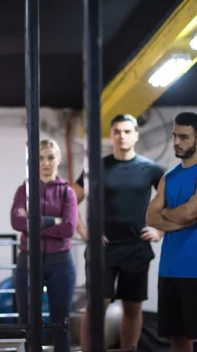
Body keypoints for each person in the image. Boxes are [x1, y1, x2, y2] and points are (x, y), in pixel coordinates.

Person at [72, 114, 165, 352]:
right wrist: (85, 232)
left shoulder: (151, 169)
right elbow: (69, 201)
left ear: (135, 134)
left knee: (132, 308)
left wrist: (159, 230)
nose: (122, 136)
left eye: (126, 131)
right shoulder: (96, 167)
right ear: (111, 136)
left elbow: (173, 201)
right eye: (117, 132)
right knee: (96, 308)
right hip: (103, 249)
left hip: (136, 248)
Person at [146, 112, 197, 352]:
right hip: (168, 269)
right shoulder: (169, 177)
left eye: (183, 137)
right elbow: (150, 217)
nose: (176, 142)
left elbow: (190, 213)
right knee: (177, 337)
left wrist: (167, 214)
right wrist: (177, 219)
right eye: (174, 136)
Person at [10, 139, 78, 352]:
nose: (46, 162)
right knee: (28, 324)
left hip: (61, 263)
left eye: (50, 157)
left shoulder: (68, 192)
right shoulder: (24, 190)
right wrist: (52, 220)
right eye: (40, 158)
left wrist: (34, 222)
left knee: (61, 325)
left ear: (58, 159)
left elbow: (69, 228)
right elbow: (17, 222)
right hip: (28, 261)